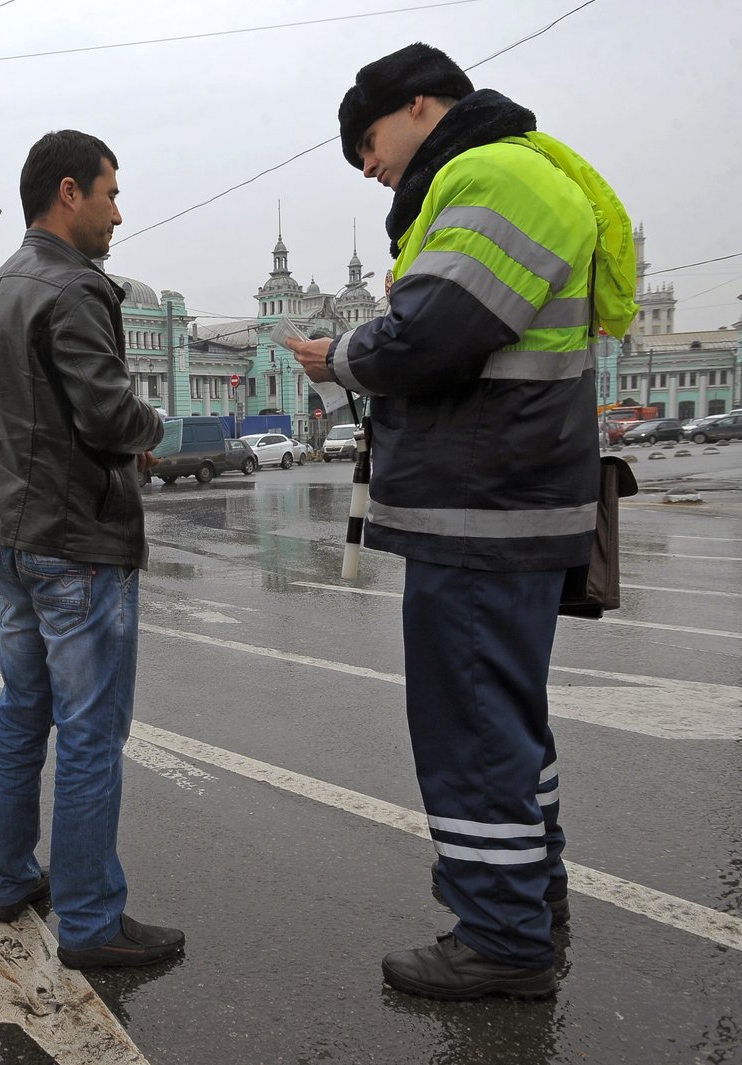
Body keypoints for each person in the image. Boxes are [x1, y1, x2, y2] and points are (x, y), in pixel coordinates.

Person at [282, 43, 637, 1000]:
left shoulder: (492, 175)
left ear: (424, 107)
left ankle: (502, 939)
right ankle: (531, 902)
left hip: (485, 508)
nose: (366, 165)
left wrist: (339, 358)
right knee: (504, 722)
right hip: (500, 500)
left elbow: (432, 332)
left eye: (368, 139)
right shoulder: (511, 174)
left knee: (470, 725)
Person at [0, 129, 180, 970]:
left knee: (23, 714)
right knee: (90, 733)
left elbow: (10, 418)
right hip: (76, 543)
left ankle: (11, 877)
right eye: (110, 193)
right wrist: (149, 428)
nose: (118, 213)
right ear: (68, 192)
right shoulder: (77, 290)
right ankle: (91, 921)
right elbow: (105, 412)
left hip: (8, 537)